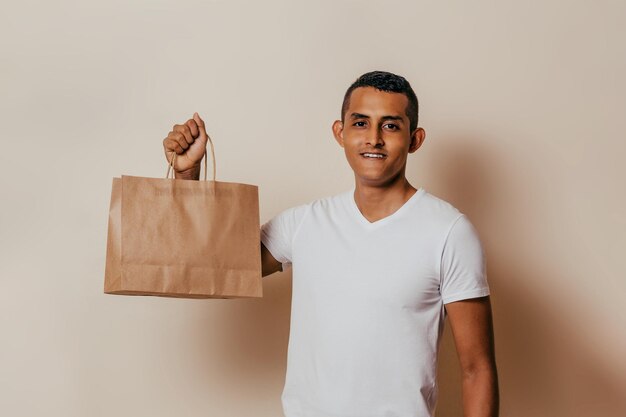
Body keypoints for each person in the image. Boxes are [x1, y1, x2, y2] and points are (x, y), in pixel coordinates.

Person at [162, 71, 499, 417]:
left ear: (415, 139)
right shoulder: (305, 223)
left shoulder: (449, 232)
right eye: (360, 123)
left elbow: (477, 369)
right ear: (340, 132)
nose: (373, 139)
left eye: (390, 126)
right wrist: (188, 176)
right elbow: (211, 268)